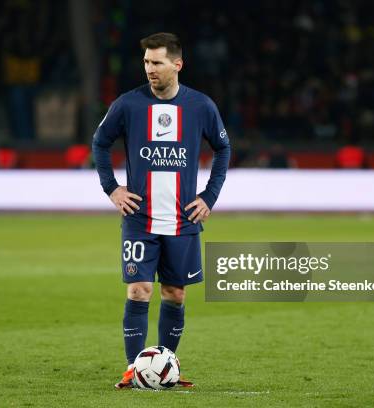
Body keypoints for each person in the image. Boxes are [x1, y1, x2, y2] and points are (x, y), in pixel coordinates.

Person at [92, 33, 230, 389]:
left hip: (183, 220)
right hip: (140, 218)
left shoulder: (200, 107)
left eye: (157, 63)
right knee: (138, 290)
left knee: (175, 294)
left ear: (177, 64)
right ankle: (132, 368)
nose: (149, 69)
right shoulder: (128, 105)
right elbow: (100, 142)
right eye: (146, 63)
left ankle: (166, 368)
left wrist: (209, 197)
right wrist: (112, 188)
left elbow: (223, 149)